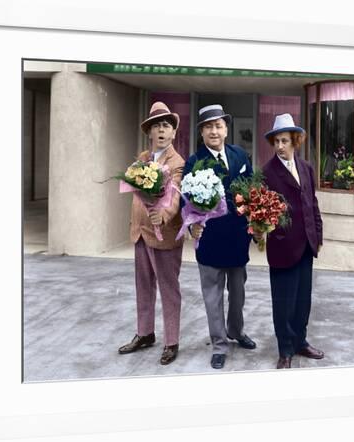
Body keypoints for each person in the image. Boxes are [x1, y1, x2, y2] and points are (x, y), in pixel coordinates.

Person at [184, 104, 256, 370]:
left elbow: (252, 190)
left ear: (226, 129)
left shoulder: (240, 154)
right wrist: (192, 225)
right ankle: (219, 345)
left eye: (218, 125)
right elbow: (186, 200)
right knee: (212, 297)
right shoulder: (194, 161)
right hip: (211, 239)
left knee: (238, 293)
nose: (214, 131)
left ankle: (236, 331)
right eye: (208, 127)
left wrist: (257, 221)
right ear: (202, 132)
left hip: (237, 238)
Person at [118, 102, 185, 365]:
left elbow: (176, 195)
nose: (161, 130)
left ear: (173, 133)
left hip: (164, 235)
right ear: (149, 131)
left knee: (169, 289)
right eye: (156, 125)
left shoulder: (177, 162)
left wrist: (164, 214)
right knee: (143, 286)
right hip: (139, 233)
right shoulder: (143, 158)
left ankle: (172, 341)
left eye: (166, 126)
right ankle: (145, 333)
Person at [260, 113, 324, 369]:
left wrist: (317, 234)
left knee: (302, 301)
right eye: (276, 141)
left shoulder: (307, 168)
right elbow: (259, 212)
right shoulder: (267, 172)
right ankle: (285, 349)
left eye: (285, 141)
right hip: (283, 248)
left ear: (295, 141)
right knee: (284, 303)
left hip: (307, 245)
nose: (280, 146)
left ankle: (300, 342)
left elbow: (313, 204)